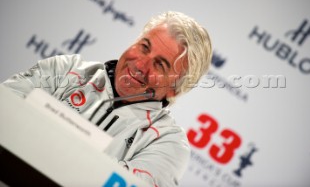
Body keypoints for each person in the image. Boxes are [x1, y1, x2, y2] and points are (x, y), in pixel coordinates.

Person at [2, 11, 212, 186]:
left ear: (176, 88)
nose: (140, 65)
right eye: (144, 47)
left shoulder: (168, 144)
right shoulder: (65, 69)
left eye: (160, 65)